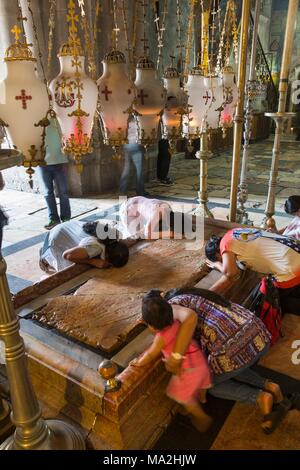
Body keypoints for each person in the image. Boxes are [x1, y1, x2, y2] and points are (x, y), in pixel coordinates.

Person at [141, 288, 291, 434]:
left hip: (233, 348)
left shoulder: (172, 306)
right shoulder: (193, 295)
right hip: (258, 333)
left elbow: (190, 317)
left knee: (210, 384)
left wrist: (176, 357)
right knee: (228, 366)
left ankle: (259, 397)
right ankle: (270, 386)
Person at [130, 289, 212, 431]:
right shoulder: (177, 322)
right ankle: (203, 399)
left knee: (179, 393)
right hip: (200, 360)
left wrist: (137, 362)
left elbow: (150, 354)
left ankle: (200, 415)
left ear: (152, 326)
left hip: (188, 369)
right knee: (202, 383)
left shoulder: (160, 338)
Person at [205, 228, 300, 315]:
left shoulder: (225, 245)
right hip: (295, 249)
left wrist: (217, 264)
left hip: (291, 266)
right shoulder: (234, 232)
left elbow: (230, 273)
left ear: (218, 254)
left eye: (221, 259)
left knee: (275, 302)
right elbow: (242, 263)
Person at [40, 220, 129, 273]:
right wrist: (93, 262)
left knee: (81, 257)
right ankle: (44, 259)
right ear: (107, 256)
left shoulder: (116, 236)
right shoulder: (96, 248)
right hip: (55, 238)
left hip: (70, 227)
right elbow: (66, 255)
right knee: (68, 270)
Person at [39, 117, 71, 230]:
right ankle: (54, 219)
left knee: (63, 192)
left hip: (60, 161)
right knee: (48, 193)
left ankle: (66, 218)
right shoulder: (37, 119)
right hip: (43, 162)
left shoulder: (58, 118)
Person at [119, 196, 190, 239]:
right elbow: (148, 235)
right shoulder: (156, 213)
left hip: (136, 202)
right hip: (126, 210)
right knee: (135, 236)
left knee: (151, 228)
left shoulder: (168, 207)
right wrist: (171, 234)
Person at [120, 116, 148, 196]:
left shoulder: (125, 119)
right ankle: (140, 191)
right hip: (136, 145)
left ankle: (122, 192)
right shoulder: (139, 119)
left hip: (127, 145)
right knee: (140, 171)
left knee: (127, 169)